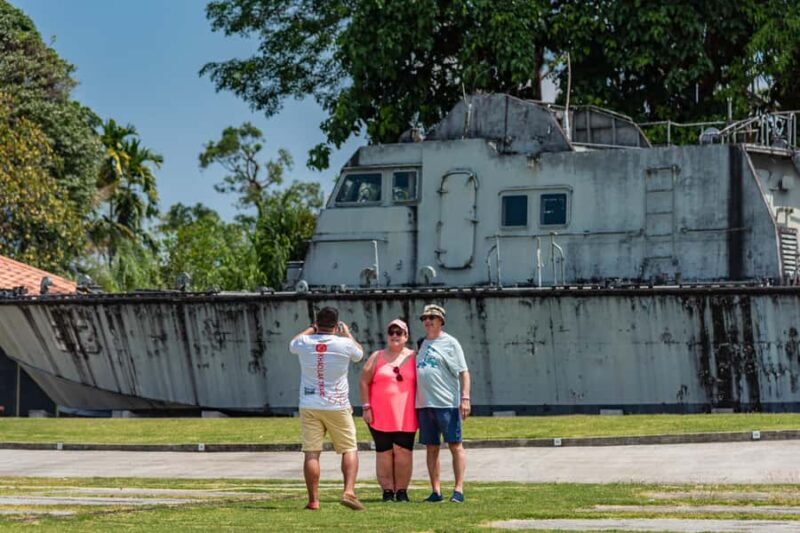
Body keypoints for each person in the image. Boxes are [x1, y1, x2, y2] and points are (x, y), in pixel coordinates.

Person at [289, 306, 365, 511]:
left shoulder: (305, 342)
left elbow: (292, 343)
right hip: (337, 404)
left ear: (317, 322)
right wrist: (347, 332)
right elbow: (359, 354)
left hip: (310, 404)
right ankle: (348, 491)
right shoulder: (345, 344)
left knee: (311, 453)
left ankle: (314, 500)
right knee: (349, 448)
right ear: (336, 324)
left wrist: (311, 330)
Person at [415, 304, 471, 503]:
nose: (427, 321)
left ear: (441, 321)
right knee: (431, 447)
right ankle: (436, 491)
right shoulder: (421, 343)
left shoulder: (450, 343)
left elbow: (463, 372)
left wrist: (465, 398)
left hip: (446, 402)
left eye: (432, 317)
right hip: (425, 404)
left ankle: (458, 489)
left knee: (455, 445)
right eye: (425, 318)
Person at [359, 318, 417, 502]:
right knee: (384, 452)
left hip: (406, 414)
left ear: (406, 336)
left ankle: (401, 491)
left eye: (399, 333)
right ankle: (387, 491)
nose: (394, 336)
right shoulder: (377, 356)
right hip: (379, 414)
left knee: (403, 452)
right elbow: (363, 381)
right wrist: (366, 406)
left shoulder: (414, 357)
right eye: (391, 332)